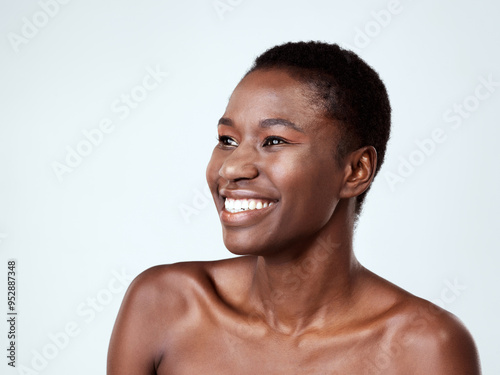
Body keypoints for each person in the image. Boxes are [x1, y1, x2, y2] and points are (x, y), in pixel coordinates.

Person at [107, 41, 481, 374]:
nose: (232, 167)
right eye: (227, 139)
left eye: (273, 140)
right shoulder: (165, 305)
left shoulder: (424, 347)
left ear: (355, 171)